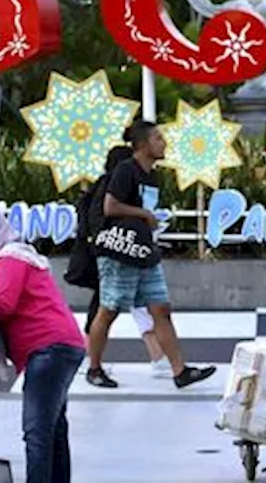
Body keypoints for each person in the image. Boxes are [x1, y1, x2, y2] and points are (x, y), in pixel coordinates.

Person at [84, 120, 216, 389]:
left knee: (161, 308)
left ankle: (180, 371)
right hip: (121, 252)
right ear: (143, 145)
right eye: (158, 138)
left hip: (144, 251)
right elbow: (110, 206)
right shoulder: (126, 171)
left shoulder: (151, 175)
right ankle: (94, 368)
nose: (164, 143)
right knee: (108, 310)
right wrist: (144, 214)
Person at [0, 204, 86, 483]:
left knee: (37, 431)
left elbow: (4, 306)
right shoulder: (1, 261)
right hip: (57, 347)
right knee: (53, 430)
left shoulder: (10, 258)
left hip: (48, 348)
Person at [70, 145, 172, 379]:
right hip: (118, 254)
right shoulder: (113, 188)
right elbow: (101, 218)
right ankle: (154, 358)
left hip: (115, 253)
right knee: (113, 308)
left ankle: (93, 361)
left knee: (110, 308)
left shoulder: (106, 186)